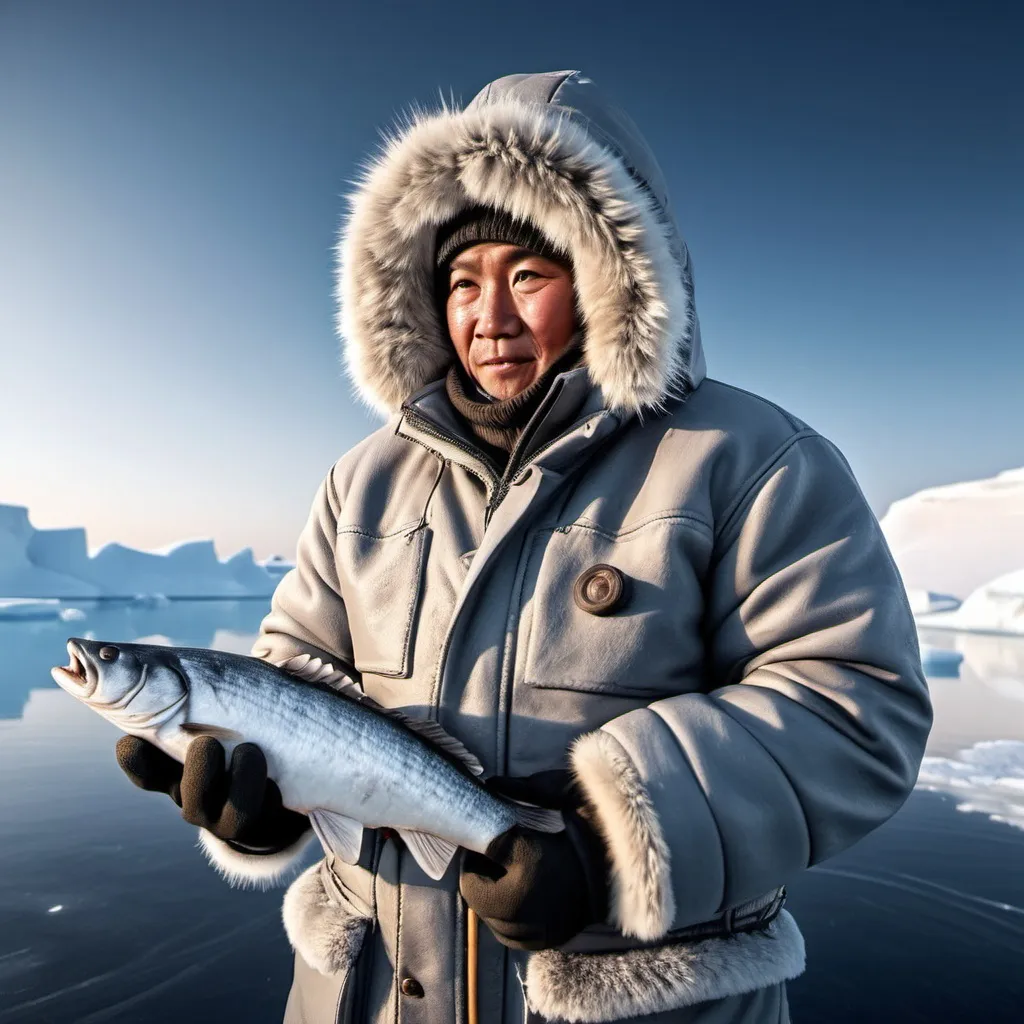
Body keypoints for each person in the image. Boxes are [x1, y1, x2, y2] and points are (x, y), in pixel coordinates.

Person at [116, 70, 933, 1023]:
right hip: (370, 992)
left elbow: (855, 706)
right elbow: (298, 671)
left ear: (603, 280)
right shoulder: (364, 481)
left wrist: (608, 844)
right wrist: (266, 794)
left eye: (527, 277)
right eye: (462, 282)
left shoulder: (746, 460)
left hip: (634, 1002)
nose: (488, 318)